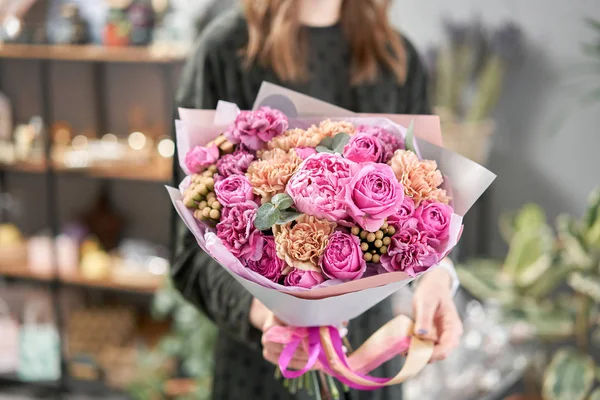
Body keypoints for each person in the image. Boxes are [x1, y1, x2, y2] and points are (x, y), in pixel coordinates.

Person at [171, 1, 463, 399]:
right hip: (262, 370)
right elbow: (189, 251)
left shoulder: (396, 59)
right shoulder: (224, 52)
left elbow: (432, 201)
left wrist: (439, 279)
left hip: (368, 353)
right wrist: (265, 315)